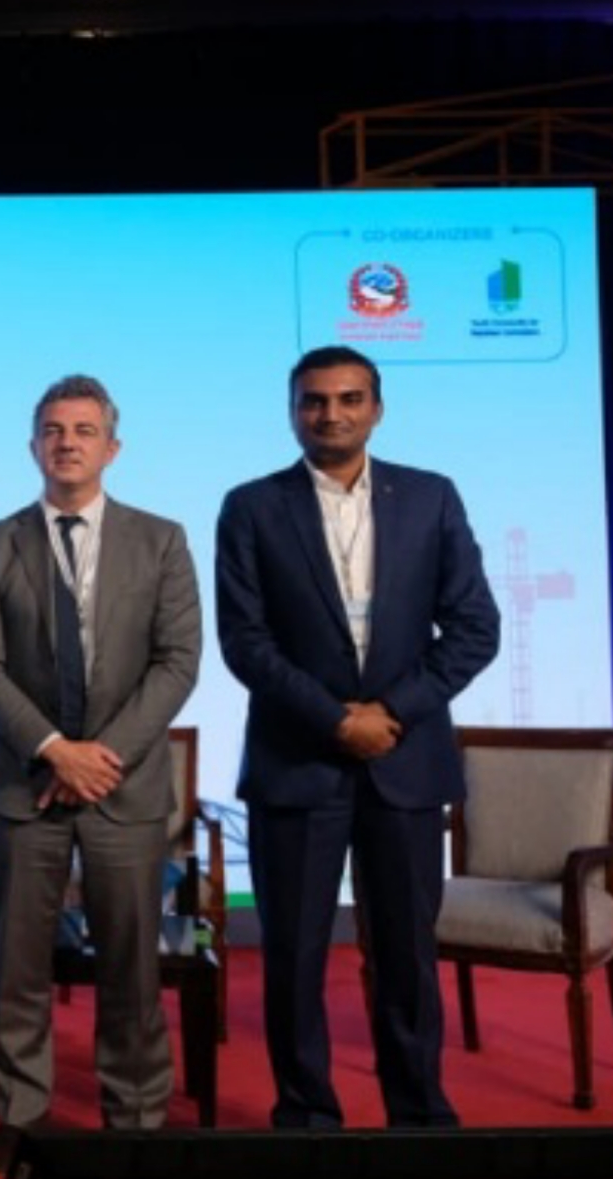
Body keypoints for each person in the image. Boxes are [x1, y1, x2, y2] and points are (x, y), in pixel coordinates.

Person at [218, 345, 499, 1130]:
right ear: (292, 411)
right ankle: (307, 1117)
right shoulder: (251, 507)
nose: (330, 414)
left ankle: (419, 1115)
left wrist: (391, 713)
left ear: (377, 408)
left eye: (348, 399)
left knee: (407, 956)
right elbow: (246, 642)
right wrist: (336, 719)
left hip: (406, 762)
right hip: (296, 762)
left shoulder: (432, 498)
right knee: (294, 956)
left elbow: (475, 628)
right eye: (314, 400)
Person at [0, 376, 202, 1173]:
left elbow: (178, 662)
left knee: (131, 967)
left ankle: (134, 1119)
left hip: (123, 788)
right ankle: (20, 1120)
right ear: (34, 446)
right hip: (25, 786)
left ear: (112, 448)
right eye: (54, 430)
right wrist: (55, 749)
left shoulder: (161, 540)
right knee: (18, 969)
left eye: (84, 430)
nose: (68, 442)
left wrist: (99, 758)